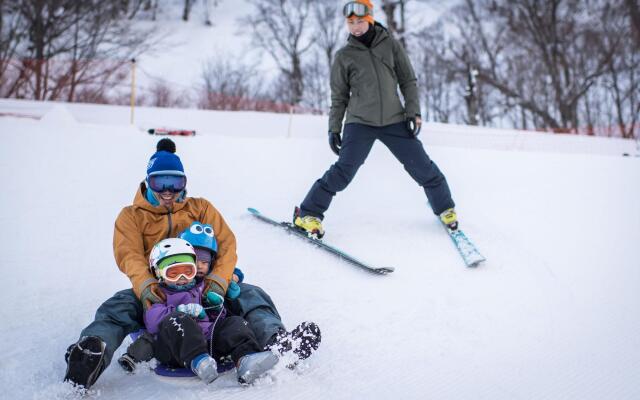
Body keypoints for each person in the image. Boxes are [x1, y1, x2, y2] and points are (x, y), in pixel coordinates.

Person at [64, 139, 320, 389]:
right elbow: (128, 254)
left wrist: (218, 281)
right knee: (118, 306)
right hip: (157, 288)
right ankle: (90, 351)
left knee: (251, 295)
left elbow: (227, 244)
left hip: (203, 286)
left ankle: (277, 343)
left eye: (175, 183)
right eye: (159, 182)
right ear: (147, 181)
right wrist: (145, 286)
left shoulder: (200, 208)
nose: (167, 190)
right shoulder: (131, 216)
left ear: (184, 183)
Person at [293, 0, 458, 238]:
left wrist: (413, 112)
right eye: (351, 23)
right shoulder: (344, 56)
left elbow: (408, 80)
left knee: (422, 166)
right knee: (343, 172)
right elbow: (339, 97)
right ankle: (307, 214)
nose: (356, 27)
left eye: (360, 22)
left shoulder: (390, 44)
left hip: (394, 120)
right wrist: (334, 128)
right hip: (359, 123)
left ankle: (446, 209)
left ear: (369, 19)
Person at [144, 237, 279, 384]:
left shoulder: (201, 288)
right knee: (179, 319)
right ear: (159, 273)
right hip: (176, 351)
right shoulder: (159, 294)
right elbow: (152, 321)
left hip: (208, 344)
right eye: (173, 273)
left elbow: (216, 321)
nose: (182, 278)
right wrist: (180, 310)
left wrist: (215, 309)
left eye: (188, 271)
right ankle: (199, 362)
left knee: (234, 323)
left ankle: (246, 359)